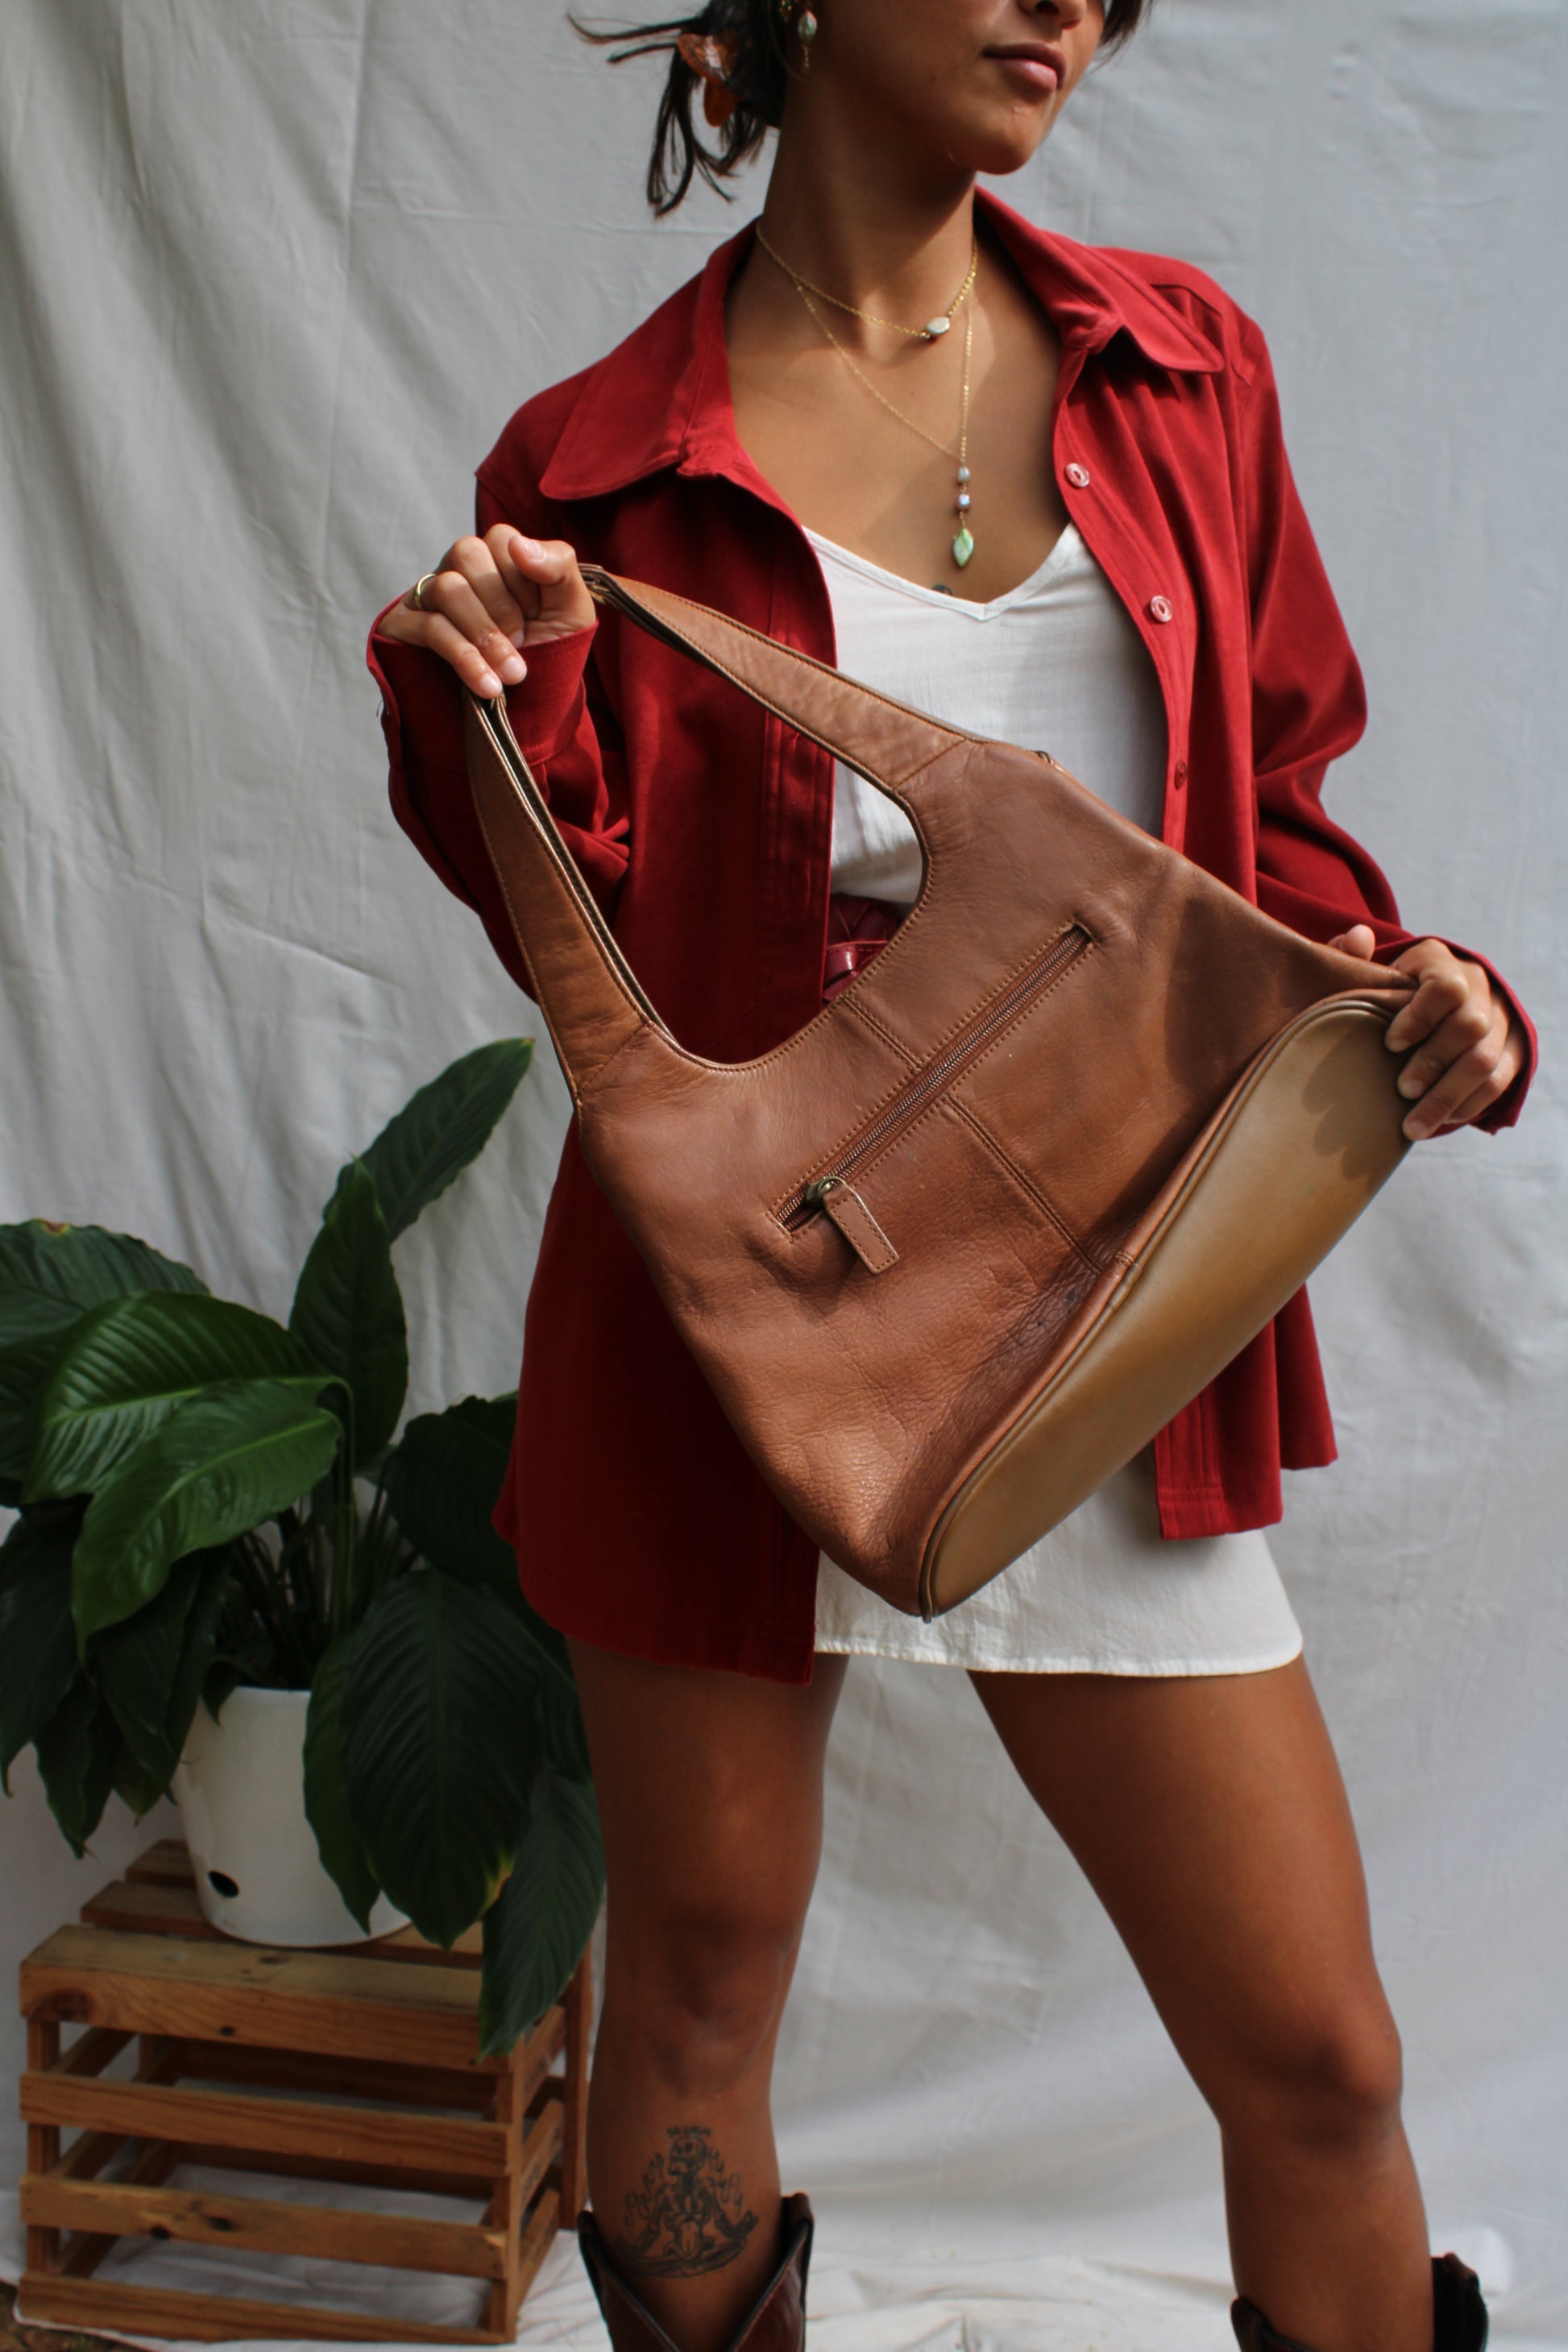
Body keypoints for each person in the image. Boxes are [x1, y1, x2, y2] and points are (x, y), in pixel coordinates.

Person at [367, 6, 1536, 2349]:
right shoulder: (593, 469)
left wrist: (1425, 989)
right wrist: (483, 699)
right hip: (729, 1327)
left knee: (1317, 2056)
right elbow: (578, 936)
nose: (1067, 5)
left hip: (1112, 1298)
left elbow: (1270, 821)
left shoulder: (1176, 371)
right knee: (698, 1987)